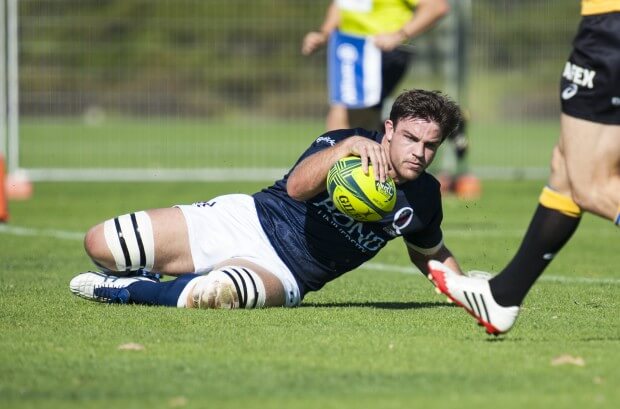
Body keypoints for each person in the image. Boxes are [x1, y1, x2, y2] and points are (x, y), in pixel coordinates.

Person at [70, 89, 467, 309]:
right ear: (390, 129)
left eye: (431, 146)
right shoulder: (343, 144)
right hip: (245, 218)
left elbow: (428, 251)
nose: (419, 152)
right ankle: (152, 274)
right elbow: (296, 187)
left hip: (286, 273)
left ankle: (125, 290)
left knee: (212, 297)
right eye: (411, 138)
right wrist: (345, 146)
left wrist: (468, 292)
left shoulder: (425, 196)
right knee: (101, 243)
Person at [427, 0, 620, 335]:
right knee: (565, 171)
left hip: (610, 26)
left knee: (592, 186)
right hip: (605, 26)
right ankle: (503, 297)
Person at [301, 0, 450, 132]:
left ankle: (352, 160)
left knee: (346, 120)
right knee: (352, 119)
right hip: (350, 51)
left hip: (380, 52)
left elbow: (436, 7)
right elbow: (342, 5)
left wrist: (399, 35)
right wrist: (324, 34)